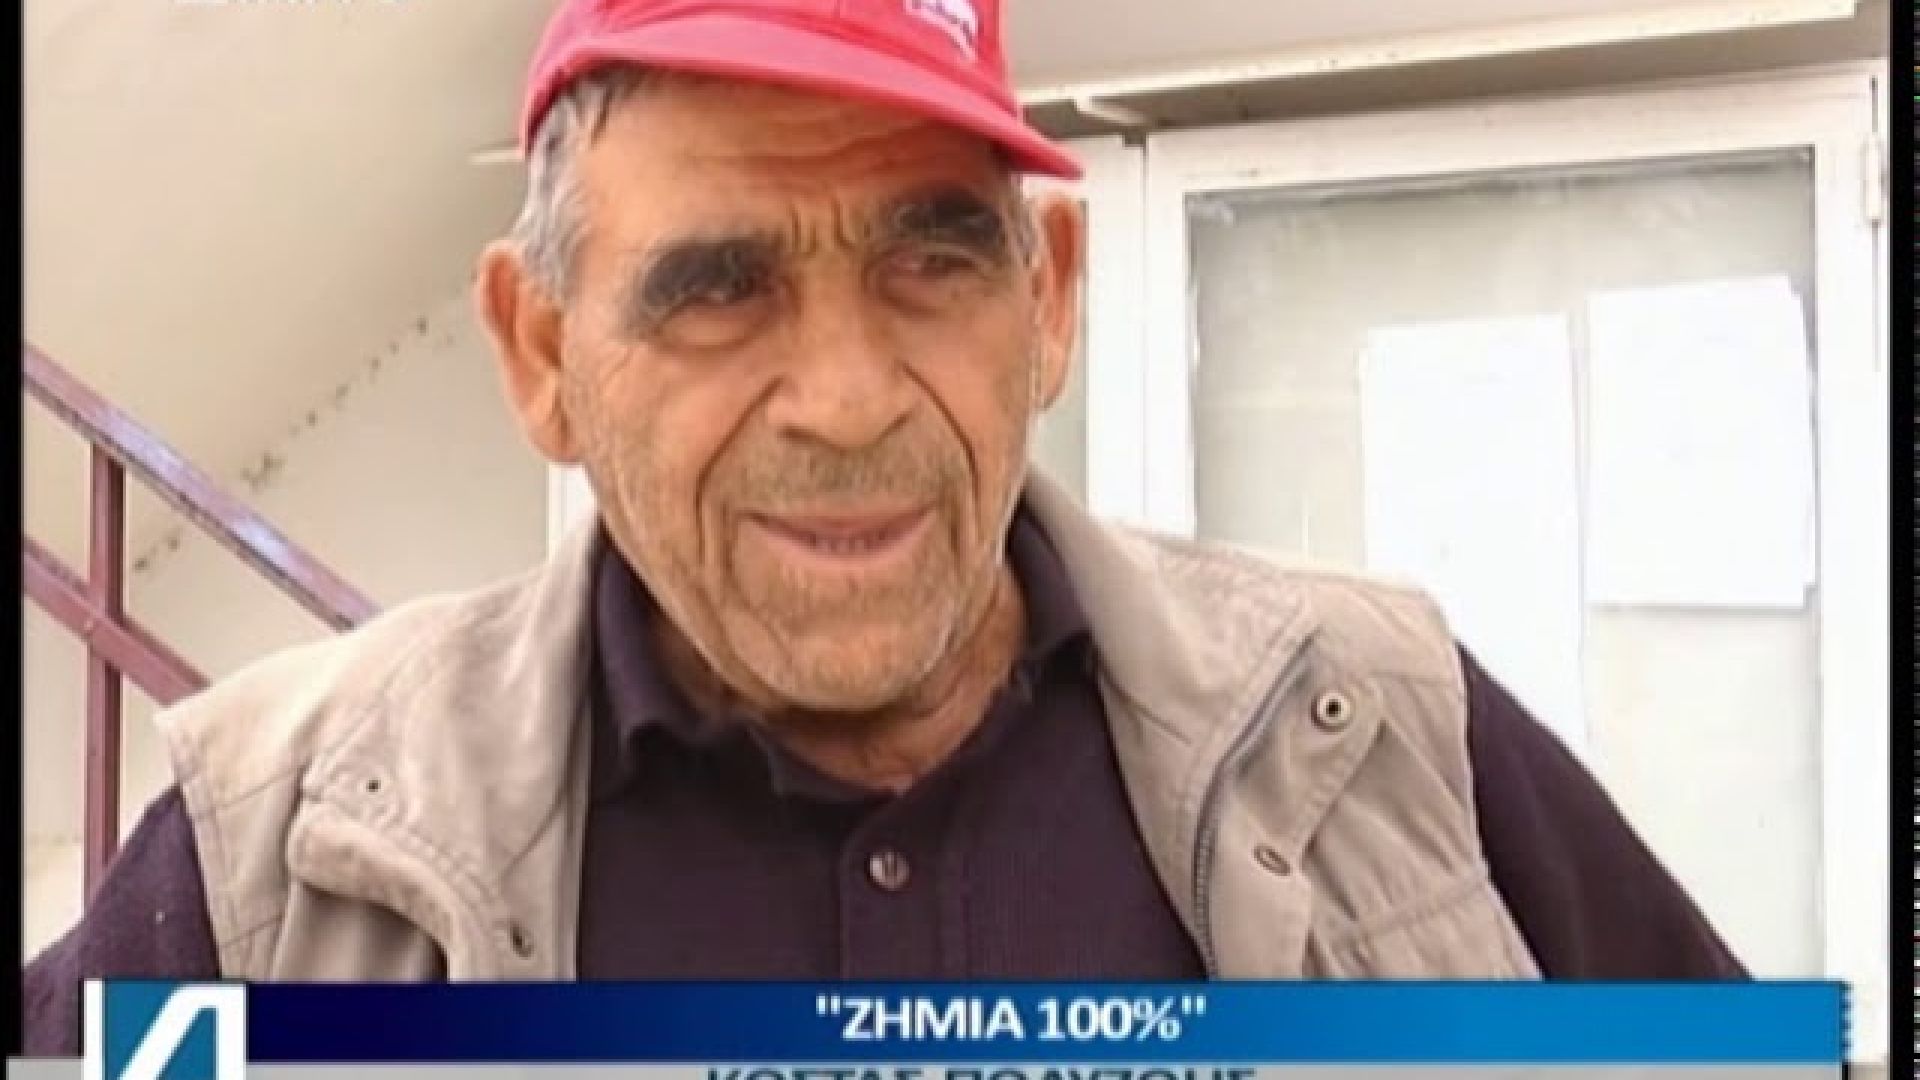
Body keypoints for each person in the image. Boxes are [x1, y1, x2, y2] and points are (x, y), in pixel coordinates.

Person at [21, 0, 1744, 1055]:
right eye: (718, 293)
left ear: (1046, 298)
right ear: (541, 352)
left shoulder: (1375, 731)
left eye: (932, 262)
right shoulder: (282, 853)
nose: (847, 402)